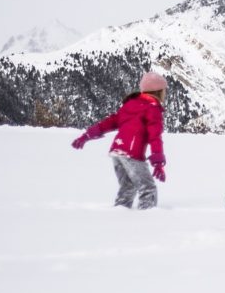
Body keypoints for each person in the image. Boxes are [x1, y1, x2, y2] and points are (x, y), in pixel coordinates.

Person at [71, 71, 168, 209]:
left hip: (117, 151)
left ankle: (119, 213)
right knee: (148, 188)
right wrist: (158, 162)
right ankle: (148, 220)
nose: (165, 94)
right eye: (164, 90)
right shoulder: (152, 108)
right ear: (158, 91)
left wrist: (87, 135)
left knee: (127, 186)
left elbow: (111, 122)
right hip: (132, 154)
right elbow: (155, 136)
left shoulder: (130, 104)